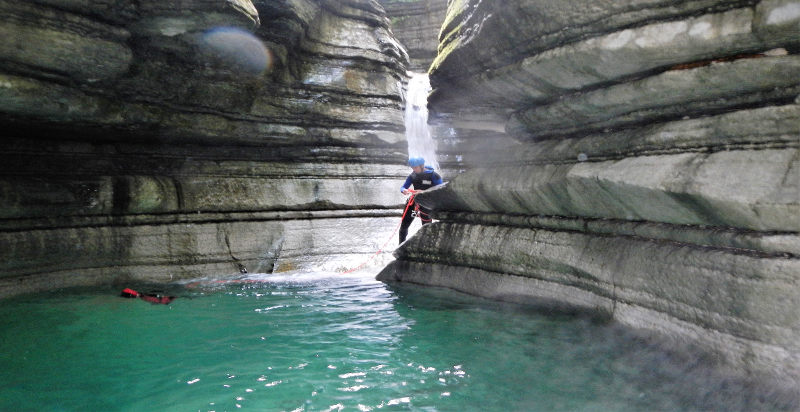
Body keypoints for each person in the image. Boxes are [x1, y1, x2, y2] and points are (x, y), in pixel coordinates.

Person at [399, 157, 443, 243]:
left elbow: (441, 190)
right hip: (414, 205)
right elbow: (403, 187)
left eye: (415, 168)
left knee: (426, 227)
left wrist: (423, 192)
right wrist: (403, 190)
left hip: (426, 206)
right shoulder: (413, 175)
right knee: (404, 226)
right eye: (412, 168)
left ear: (422, 166)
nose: (414, 170)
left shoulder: (434, 176)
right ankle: (400, 245)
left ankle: (428, 245)